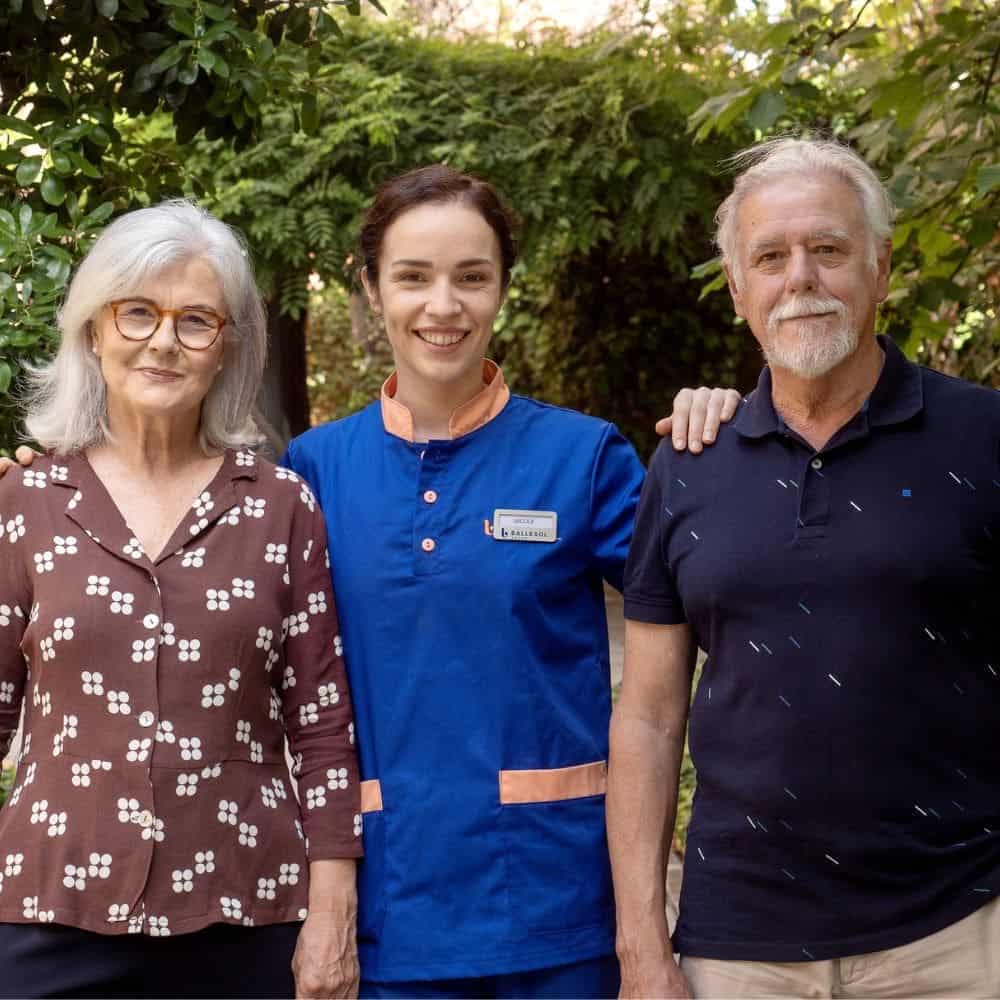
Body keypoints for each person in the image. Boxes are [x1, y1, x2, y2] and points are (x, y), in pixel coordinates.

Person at [277, 164, 740, 998]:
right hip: (388, 914)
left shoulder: (583, 457)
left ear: (502, 288)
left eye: (472, 277)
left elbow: (724, 587)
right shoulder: (312, 471)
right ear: (371, 288)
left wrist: (744, 438)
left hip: (555, 907)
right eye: (412, 277)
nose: (443, 305)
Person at [609, 137, 1000, 999]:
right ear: (738, 289)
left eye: (828, 248)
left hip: (959, 935)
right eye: (770, 258)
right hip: (738, 948)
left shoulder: (983, 439)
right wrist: (641, 949)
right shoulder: (689, 464)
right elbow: (647, 717)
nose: (801, 279)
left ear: (880, 268)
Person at [0, 201, 361, 999]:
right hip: (47, 914)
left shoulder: (282, 507)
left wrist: (332, 913)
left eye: (195, 321)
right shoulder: (24, 502)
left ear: (225, 346)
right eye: (137, 312)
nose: (163, 340)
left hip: (244, 914)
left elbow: (322, 729)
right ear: (94, 329)